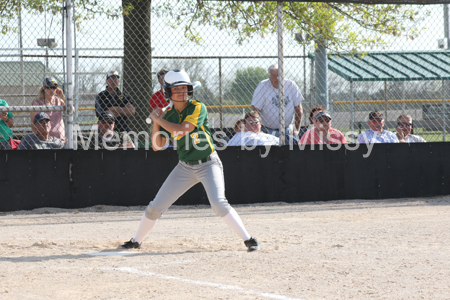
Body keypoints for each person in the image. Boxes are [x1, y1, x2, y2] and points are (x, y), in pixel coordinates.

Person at [121, 69, 260, 252]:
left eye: (184, 89)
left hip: (209, 163)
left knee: (218, 204)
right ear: (168, 92)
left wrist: (158, 119)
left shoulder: (197, 107)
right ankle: (136, 240)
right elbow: (157, 145)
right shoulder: (168, 115)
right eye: (176, 90)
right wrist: (156, 121)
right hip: (184, 167)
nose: (182, 92)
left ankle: (248, 239)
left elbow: (183, 129)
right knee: (155, 208)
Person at [252, 63, 303, 137]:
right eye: (273, 75)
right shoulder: (262, 86)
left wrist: (296, 130)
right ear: (269, 76)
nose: (277, 78)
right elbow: (256, 111)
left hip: (287, 129)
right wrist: (257, 129)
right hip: (267, 130)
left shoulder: (291, 85)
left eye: (279, 75)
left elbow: (299, 110)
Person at [31, 77, 66, 142]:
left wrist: (62, 96)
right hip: (45, 140)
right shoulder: (37, 103)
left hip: (60, 140)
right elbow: (33, 125)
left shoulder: (59, 101)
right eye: (50, 87)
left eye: (54, 87)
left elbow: (71, 111)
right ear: (44, 88)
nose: (52, 90)